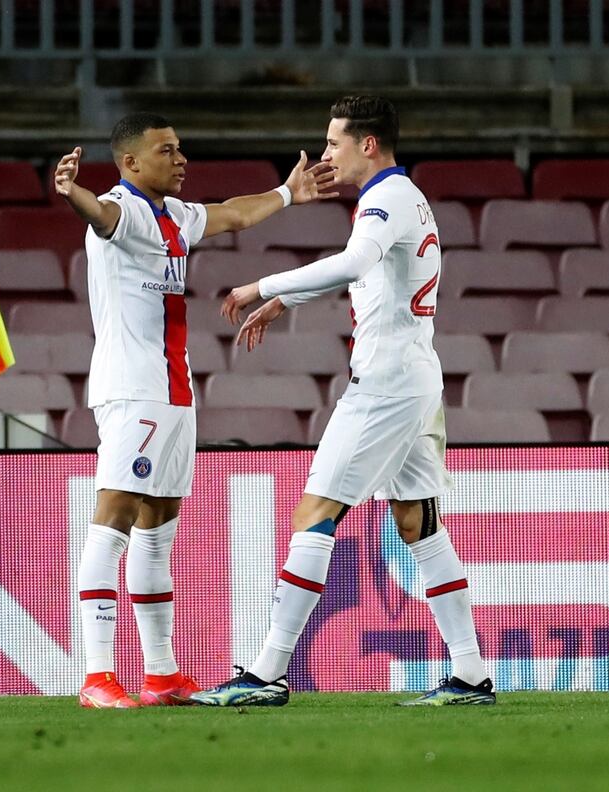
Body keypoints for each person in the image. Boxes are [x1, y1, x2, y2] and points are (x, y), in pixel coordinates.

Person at [190, 96, 494, 707]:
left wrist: (261, 285)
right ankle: (470, 675)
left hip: (383, 385)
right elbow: (375, 275)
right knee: (416, 521)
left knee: (314, 513)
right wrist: (288, 303)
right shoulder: (401, 197)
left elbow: (357, 261)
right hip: (415, 377)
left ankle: (267, 672)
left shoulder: (384, 198)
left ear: (369, 145)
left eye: (334, 142)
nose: (326, 153)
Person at [55, 113, 334, 708]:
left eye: (181, 149)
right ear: (130, 163)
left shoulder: (176, 215)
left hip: (175, 393)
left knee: (158, 534)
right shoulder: (121, 209)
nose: (181, 159)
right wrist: (72, 192)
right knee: (113, 523)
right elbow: (97, 216)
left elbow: (233, 212)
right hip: (133, 391)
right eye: (166, 151)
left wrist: (289, 192)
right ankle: (97, 677)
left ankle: (161, 674)